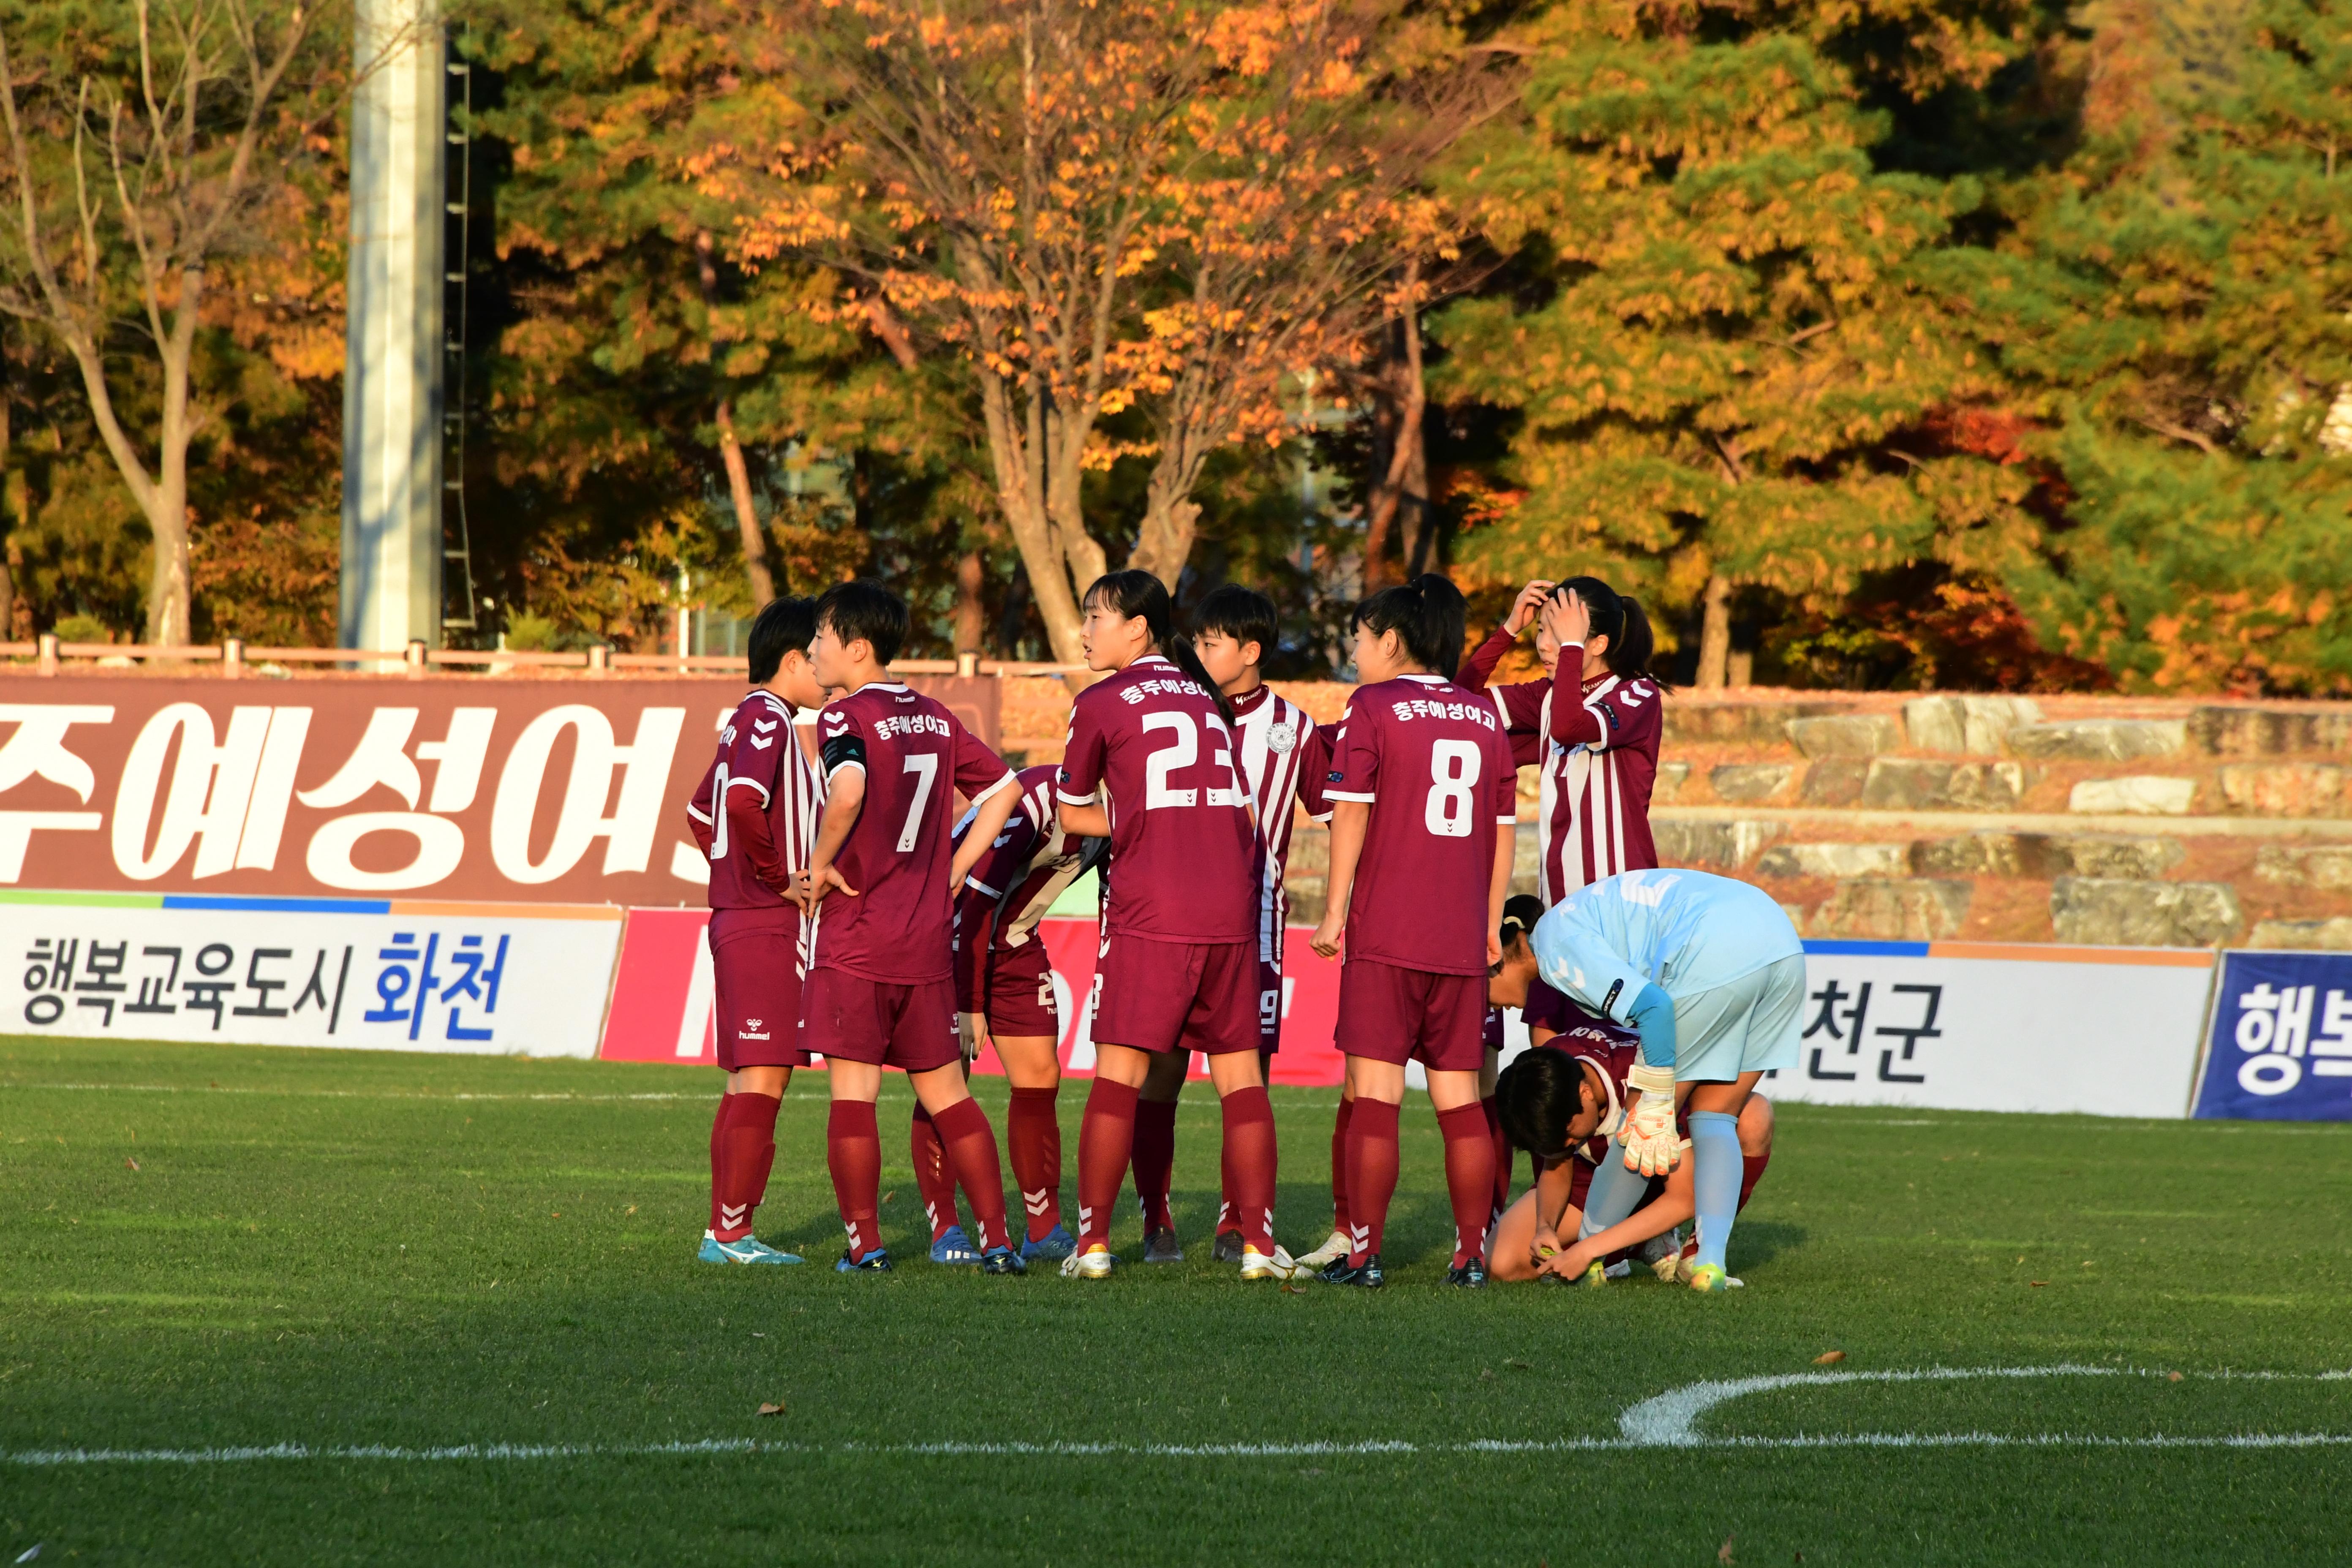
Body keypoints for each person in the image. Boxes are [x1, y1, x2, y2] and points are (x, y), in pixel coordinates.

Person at [1054, 570, 1293, 1280]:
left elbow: (1071, 815)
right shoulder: (1206, 699)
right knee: (1242, 1081)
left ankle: (1092, 1245)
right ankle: (1257, 1246)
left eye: (1096, 616)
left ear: (1138, 627)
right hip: (1229, 908)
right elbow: (1240, 815)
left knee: (1121, 1075)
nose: (1086, 630)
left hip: (1152, 909)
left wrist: (1135, 820)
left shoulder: (1100, 700)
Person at [793, 580, 1027, 1274]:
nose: (811, 650)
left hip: (859, 933)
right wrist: (953, 866)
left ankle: (865, 1245)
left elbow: (850, 790)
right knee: (949, 1096)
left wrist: (817, 863)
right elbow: (1006, 790)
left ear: (857, 648)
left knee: (854, 1096)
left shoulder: (843, 717)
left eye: (822, 637)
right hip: (926, 941)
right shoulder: (933, 715)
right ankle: (997, 1239)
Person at [1309, 574, 1518, 1288]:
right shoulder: (1484, 715)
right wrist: (1489, 926)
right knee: (1459, 1100)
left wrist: (1334, 908)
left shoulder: (1371, 705)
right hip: (1458, 938)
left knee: (1376, 1095)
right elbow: (1501, 834)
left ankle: (1364, 1254)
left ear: (1391, 641)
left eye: (1359, 640)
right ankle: (1470, 1254)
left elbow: (1351, 813)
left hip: (1387, 933)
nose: (1355, 653)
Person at [1454, 577, 1669, 1218]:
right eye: (1546, 632)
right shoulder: (1553, 695)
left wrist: (1567, 651)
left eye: (1559, 633)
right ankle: (1544, 1216)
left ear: (1597, 641)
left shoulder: (1635, 694)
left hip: (1622, 924)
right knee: (1546, 1071)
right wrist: (1507, 631)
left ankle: (1644, 1223)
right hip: (1560, 929)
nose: (1547, 644)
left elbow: (1577, 721)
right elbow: (1458, 706)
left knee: (1629, 1081)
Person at [1129, 584, 1331, 1265]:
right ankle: (1156, 1217)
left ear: (1250, 652)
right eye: (1201, 639)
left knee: (1246, 1078)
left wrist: (1342, 904)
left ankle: (1234, 1221)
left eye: (1214, 641)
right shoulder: (1166, 711)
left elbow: (1340, 816)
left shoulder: (1294, 729)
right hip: (1164, 920)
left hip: (1256, 930)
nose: (1201, 650)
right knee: (1159, 1072)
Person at [1484, 866, 1802, 1291]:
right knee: (1716, 1115)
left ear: (1496, 958)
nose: (1488, 1001)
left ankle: (1595, 1252)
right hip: (1781, 943)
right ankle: (1708, 1266)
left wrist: (1653, 1101)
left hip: (1716, 949)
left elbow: (1654, 1008)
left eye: (1478, 983)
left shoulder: (1555, 948)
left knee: (1641, 1123)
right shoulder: (1566, 942)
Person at [913, 764, 1106, 1265]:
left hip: (1016, 941)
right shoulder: (1029, 807)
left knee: (1041, 1074)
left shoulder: (1125, 810)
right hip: (950, 934)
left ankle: (1043, 1227)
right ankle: (946, 1229)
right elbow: (973, 904)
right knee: (947, 1078)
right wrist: (968, 1005)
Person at [683, 596, 826, 1266]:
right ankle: (733, 1235)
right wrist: (775, 879)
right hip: (764, 923)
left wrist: (738, 876)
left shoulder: (749, 722)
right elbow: (739, 803)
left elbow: (699, 811)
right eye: (819, 652)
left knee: (748, 1078)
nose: (827, 668)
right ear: (793, 659)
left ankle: (725, 1230)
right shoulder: (767, 717)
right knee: (765, 1077)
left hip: (742, 919)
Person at [1484, 1024, 1775, 1285]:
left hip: (1668, 1176)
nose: (1568, 1142)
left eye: (1570, 1132)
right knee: (1502, 1265)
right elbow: (1557, 1162)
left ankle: (1697, 1249)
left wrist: (1589, 1248)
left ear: (1585, 1092)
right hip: (1591, 1182)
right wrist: (1544, 1227)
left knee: (1754, 1117)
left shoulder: (1642, 1082)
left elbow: (1685, 1198)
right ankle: (1631, 1243)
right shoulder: (1551, 1070)